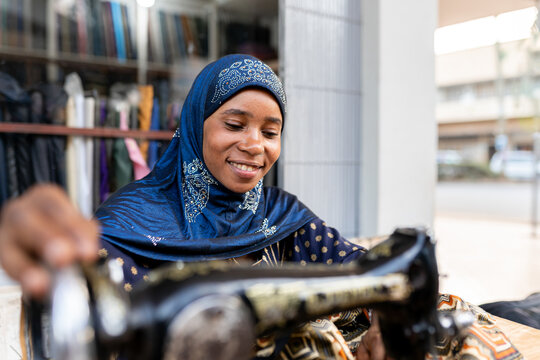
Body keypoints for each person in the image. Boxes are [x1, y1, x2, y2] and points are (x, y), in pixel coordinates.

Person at [0, 54, 523, 360]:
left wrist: (383, 324)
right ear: (193, 126)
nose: (256, 145)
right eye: (234, 125)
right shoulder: (127, 227)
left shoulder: (279, 215)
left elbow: (359, 270)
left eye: (271, 132)